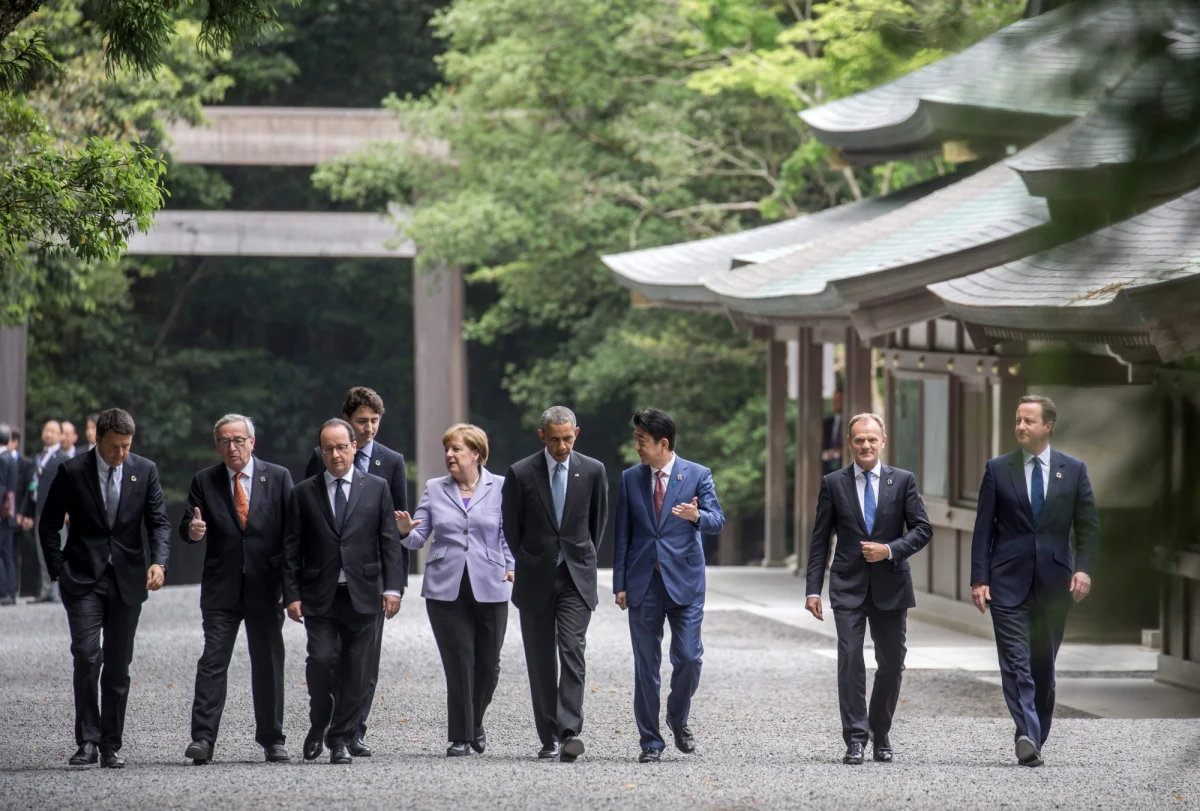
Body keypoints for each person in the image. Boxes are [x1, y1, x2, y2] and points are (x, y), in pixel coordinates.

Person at [970, 394, 1099, 768]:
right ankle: (1026, 732)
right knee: (1015, 662)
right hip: (1006, 581)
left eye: (1028, 421)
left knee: (1043, 664)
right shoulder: (998, 469)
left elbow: (1088, 526)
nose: (1021, 427)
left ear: (1048, 426)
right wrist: (979, 578)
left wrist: (1084, 569)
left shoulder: (1073, 470)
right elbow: (983, 530)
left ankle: (1035, 734)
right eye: (1017, 420)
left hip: (1055, 584)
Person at [38, 408, 170, 768]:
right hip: (82, 577)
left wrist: (159, 562)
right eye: (114, 447)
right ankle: (88, 740)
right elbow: (48, 525)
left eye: (127, 446)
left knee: (117, 665)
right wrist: (59, 570)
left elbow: (159, 522)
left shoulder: (145, 470)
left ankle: (111, 743)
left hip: (127, 579)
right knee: (85, 655)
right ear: (98, 439)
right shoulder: (73, 471)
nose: (121, 454)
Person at [804, 412, 932, 765]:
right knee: (849, 659)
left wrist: (890, 550)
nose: (865, 445)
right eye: (859, 439)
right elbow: (820, 540)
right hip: (847, 585)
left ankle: (880, 730)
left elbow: (922, 529)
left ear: (883, 442)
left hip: (891, 585)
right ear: (850, 443)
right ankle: (856, 738)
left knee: (892, 664)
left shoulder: (903, 481)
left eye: (872, 439)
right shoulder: (833, 483)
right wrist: (812, 590)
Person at [283, 418, 403, 765]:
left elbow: (388, 542)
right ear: (320, 452)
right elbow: (292, 547)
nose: (335, 454)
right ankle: (319, 720)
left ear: (354, 447)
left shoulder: (377, 487)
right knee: (320, 662)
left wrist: (393, 588)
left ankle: (339, 739)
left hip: (364, 594)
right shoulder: (304, 492)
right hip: (320, 595)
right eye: (328, 448)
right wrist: (291, 593)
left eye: (341, 447)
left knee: (357, 670)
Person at [179, 414, 294, 765]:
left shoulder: (277, 477)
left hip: (266, 585)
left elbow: (293, 535)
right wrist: (193, 530)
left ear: (252, 442)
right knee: (213, 661)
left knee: (268, 663)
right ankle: (203, 738)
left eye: (239, 440)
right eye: (225, 441)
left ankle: (272, 739)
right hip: (222, 587)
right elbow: (187, 524)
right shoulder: (205, 480)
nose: (233, 447)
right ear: (217, 446)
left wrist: (289, 586)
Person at [612, 408, 725, 763]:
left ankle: (677, 717)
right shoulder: (630, 478)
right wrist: (620, 583)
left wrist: (697, 517)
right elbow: (622, 535)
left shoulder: (697, 475)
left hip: (686, 583)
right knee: (646, 666)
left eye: (642, 441)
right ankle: (651, 742)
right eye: (636, 440)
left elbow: (717, 520)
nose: (637, 447)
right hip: (643, 582)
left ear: (663, 443)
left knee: (689, 659)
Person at [395, 424, 514, 757]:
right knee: (459, 662)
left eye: (456, 449)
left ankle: (474, 723)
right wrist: (404, 531)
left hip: (491, 583)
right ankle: (460, 736)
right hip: (445, 588)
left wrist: (511, 565)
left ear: (476, 453)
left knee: (488, 665)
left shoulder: (500, 487)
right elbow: (418, 537)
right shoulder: (434, 489)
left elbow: (507, 535)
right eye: (447, 449)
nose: (449, 455)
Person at [502, 406, 608, 762]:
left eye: (567, 438)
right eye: (554, 439)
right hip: (535, 578)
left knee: (572, 651)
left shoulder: (593, 471)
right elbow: (511, 529)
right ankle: (548, 735)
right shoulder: (520, 473)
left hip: (576, 577)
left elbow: (597, 526)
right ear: (541, 436)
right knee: (540, 659)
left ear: (576, 434)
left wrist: (578, 559)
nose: (561, 446)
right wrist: (532, 560)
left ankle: (569, 732)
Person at [29, 419, 69, 603]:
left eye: (52, 431)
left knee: (58, 550)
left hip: (56, 511)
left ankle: (60, 590)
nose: (48, 434)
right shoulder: (40, 457)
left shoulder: (63, 458)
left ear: (61, 435)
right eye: (46, 430)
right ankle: (46, 589)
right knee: (42, 551)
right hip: (40, 509)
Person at [0, 423, 16, 606]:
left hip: (2, 512)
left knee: (2, 554)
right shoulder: (10, 458)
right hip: (10, 511)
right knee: (7, 554)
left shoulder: (2, 459)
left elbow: (1, 487)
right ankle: (10, 591)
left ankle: (4, 590)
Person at [821, 390, 844, 475]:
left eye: (838, 400)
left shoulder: (852, 423)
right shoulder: (826, 423)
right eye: (833, 400)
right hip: (828, 471)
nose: (835, 403)